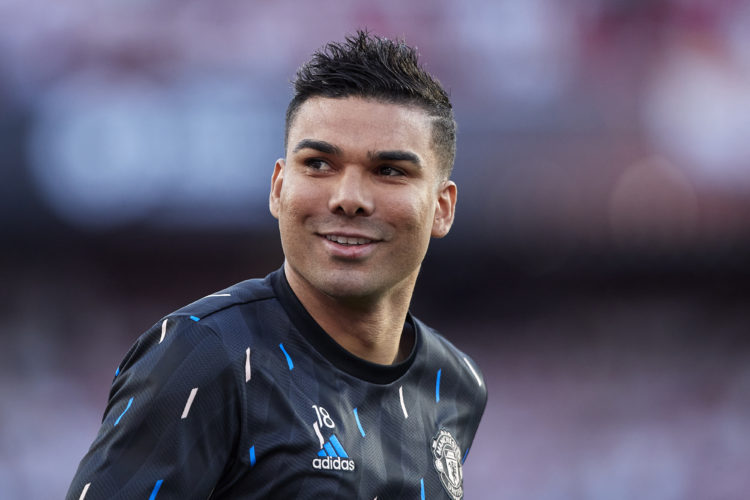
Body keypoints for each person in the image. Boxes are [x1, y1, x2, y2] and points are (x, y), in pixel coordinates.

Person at [66, 30, 487, 500]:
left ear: (442, 207)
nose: (348, 198)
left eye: (389, 171)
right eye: (319, 164)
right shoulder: (204, 354)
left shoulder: (456, 384)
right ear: (278, 187)